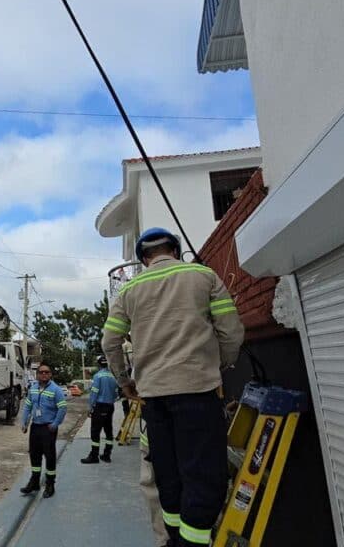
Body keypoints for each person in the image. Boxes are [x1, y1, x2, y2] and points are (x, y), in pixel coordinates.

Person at [102, 227, 244, 546]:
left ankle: (173, 539)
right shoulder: (203, 276)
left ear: (143, 259)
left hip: (154, 401)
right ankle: (194, 542)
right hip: (199, 393)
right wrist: (216, 365)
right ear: (175, 251)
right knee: (204, 474)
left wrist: (125, 382)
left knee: (167, 474)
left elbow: (110, 342)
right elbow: (232, 333)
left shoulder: (129, 290)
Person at [19, 363, 68, 498]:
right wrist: (24, 422)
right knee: (34, 455)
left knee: (50, 456)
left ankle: (50, 484)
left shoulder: (56, 390)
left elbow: (62, 408)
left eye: (47, 372)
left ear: (50, 374)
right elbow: (27, 407)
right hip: (35, 427)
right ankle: (34, 482)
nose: (44, 374)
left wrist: (55, 424)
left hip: (48, 428)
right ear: (37, 374)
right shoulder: (33, 389)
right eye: (41, 372)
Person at [80, 354, 119, 464]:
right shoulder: (113, 376)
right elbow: (116, 394)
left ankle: (94, 456)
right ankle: (107, 454)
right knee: (108, 430)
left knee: (95, 432)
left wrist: (90, 407)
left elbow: (94, 393)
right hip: (110, 406)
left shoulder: (98, 376)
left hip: (100, 406)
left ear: (98, 364)